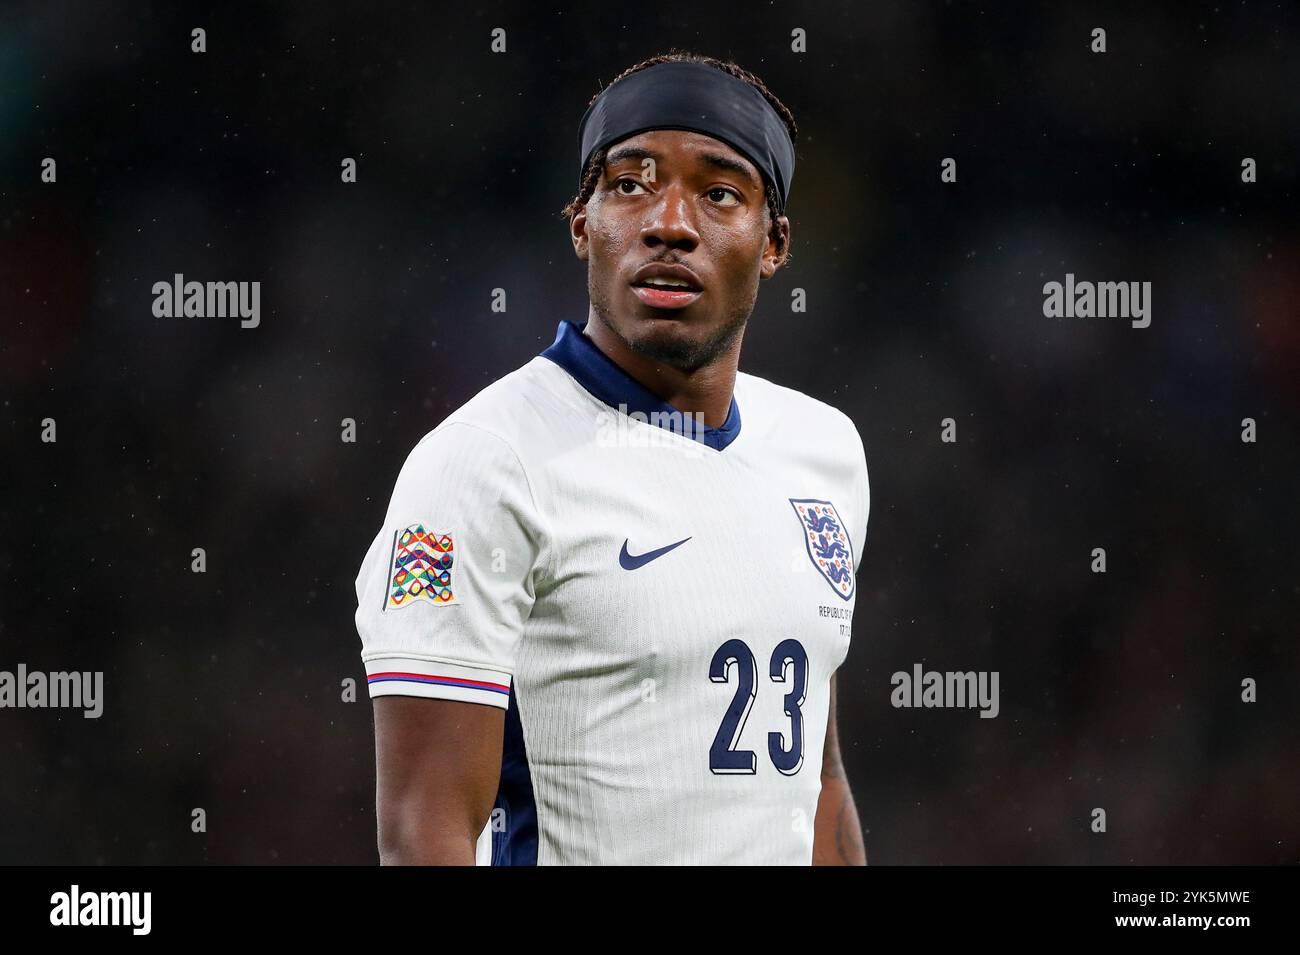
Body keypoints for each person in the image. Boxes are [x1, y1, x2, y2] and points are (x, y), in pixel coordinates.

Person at [354, 52, 870, 864]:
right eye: (629, 183)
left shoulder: (825, 450)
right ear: (581, 224)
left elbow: (817, 775)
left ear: (773, 243)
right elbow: (425, 832)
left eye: (720, 191)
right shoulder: (481, 465)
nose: (668, 220)